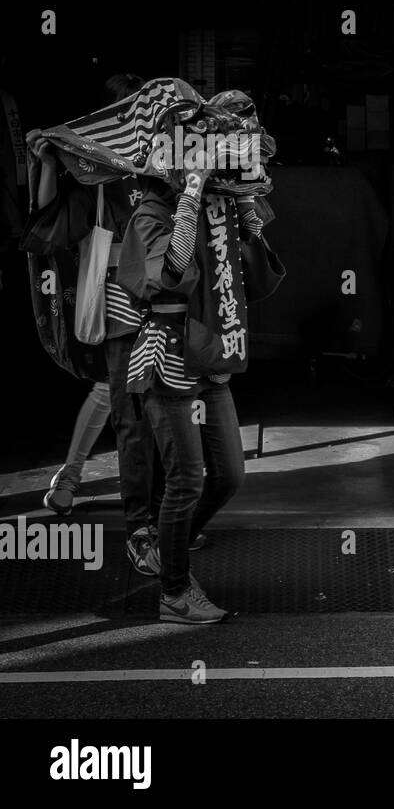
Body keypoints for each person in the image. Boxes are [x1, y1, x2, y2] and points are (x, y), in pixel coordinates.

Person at [116, 94, 284, 624]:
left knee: (228, 476)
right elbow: (172, 272)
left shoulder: (222, 208)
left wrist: (249, 217)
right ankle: (173, 592)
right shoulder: (149, 211)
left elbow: (251, 282)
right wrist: (191, 193)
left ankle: (172, 554)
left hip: (209, 358)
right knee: (186, 479)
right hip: (166, 359)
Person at [40, 74, 173, 573]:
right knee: (130, 410)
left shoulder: (168, 161)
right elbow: (52, 218)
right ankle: (144, 524)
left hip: (162, 296)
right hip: (124, 299)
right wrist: (50, 157)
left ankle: (166, 519)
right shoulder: (98, 169)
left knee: (162, 408)